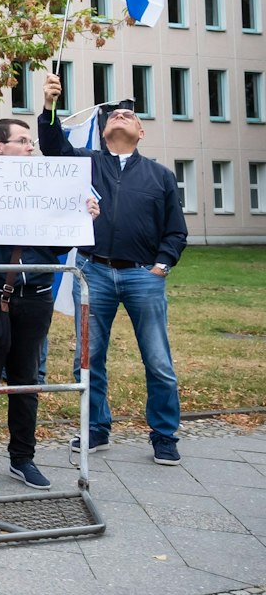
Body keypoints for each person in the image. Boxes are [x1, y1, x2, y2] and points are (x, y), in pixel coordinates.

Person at [38, 76, 189, 466]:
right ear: (104, 131)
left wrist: (163, 262)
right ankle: (96, 428)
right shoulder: (86, 163)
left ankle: (164, 435)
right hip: (93, 273)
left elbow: (175, 230)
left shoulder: (160, 176)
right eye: (114, 115)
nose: (121, 116)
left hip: (143, 276)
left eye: (129, 115)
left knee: (157, 360)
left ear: (140, 132)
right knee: (88, 357)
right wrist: (50, 105)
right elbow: (53, 146)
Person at [0, 116, 99, 490]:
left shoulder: (49, 188)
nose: (31, 147)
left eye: (31, 142)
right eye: (23, 141)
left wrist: (84, 217)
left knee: (26, 379)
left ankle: (23, 458)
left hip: (36, 297)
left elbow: (58, 246)